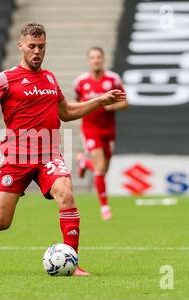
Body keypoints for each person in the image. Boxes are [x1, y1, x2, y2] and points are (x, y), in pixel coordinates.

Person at [0, 22, 125, 276]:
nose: (37, 51)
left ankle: (73, 263)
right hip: (17, 158)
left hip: (48, 155)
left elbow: (67, 112)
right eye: (32, 46)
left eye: (41, 46)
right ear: (21, 46)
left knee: (67, 195)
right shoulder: (6, 78)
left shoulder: (50, 78)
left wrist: (99, 101)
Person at [74, 47, 129, 220]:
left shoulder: (113, 79)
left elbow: (125, 102)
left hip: (108, 130)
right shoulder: (81, 82)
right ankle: (105, 207)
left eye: (98, 57)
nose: (96, 60)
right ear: (88, 60)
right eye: (92, 57)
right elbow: (75, 104)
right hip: (90, 129)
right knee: (99, 168)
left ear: (103, 59)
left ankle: (83, 162)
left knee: (103, 170)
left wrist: (111, 106)